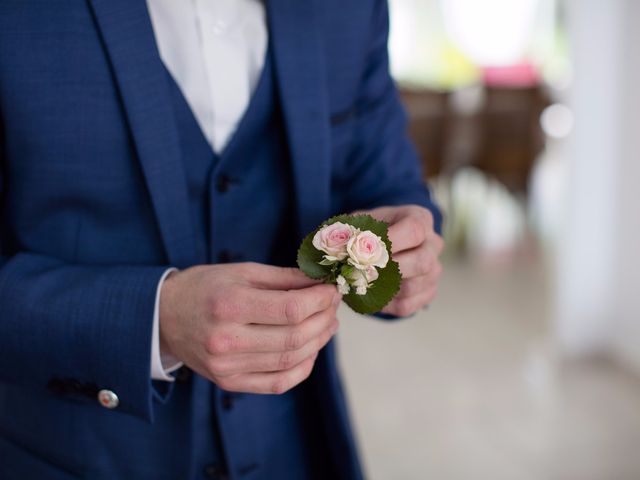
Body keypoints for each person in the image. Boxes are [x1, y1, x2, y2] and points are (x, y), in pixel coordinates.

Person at [0, 0, 444, 478]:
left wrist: (406, 249)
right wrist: (155, 320)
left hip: (294, 451)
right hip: (74, 456)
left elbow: (390, 183)